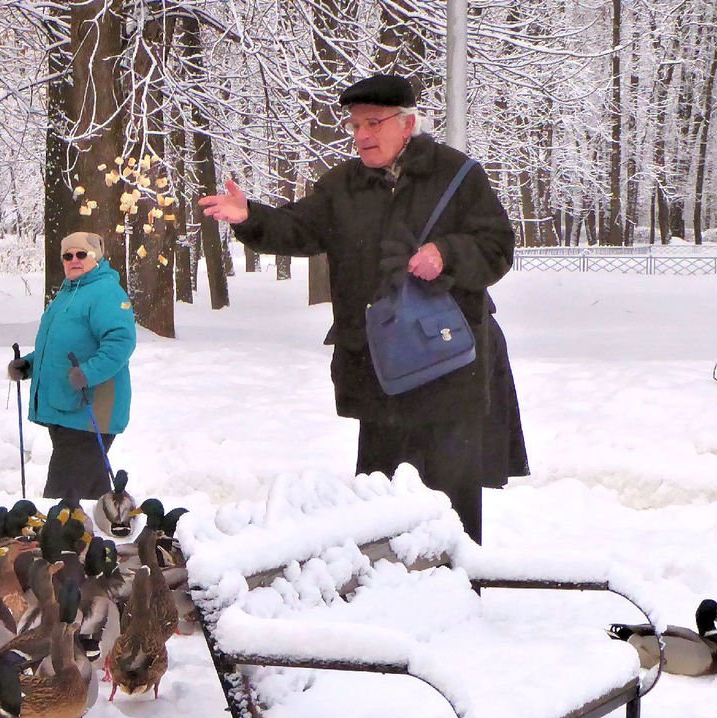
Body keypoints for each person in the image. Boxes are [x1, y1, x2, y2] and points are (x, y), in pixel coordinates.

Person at [200, 74, 525, 542]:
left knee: (449, 498)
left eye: (374, 123)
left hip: (448, 366)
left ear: (408, 124)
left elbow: (497, 246)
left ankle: (457, 594)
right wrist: (251, 216)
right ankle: (384, 595)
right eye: (355, 126)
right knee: (379, 496)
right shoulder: (343, 186)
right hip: (380, 369)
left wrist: (447, 254)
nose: (362, 136)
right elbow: (299, 228)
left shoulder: (458, 176)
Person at [8, 231, 136, 499]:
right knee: (86, 491)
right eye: (68, 255)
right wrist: (29, 365)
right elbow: (62, 348)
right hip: (69, 405)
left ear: (97, 258)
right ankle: (99, 533)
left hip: (92, 409)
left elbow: (121, 342)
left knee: (64, 495)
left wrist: (88, 373)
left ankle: (63, 538)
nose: (74, 260)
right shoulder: (71, 291)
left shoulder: (105, 292)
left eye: (82, 254)